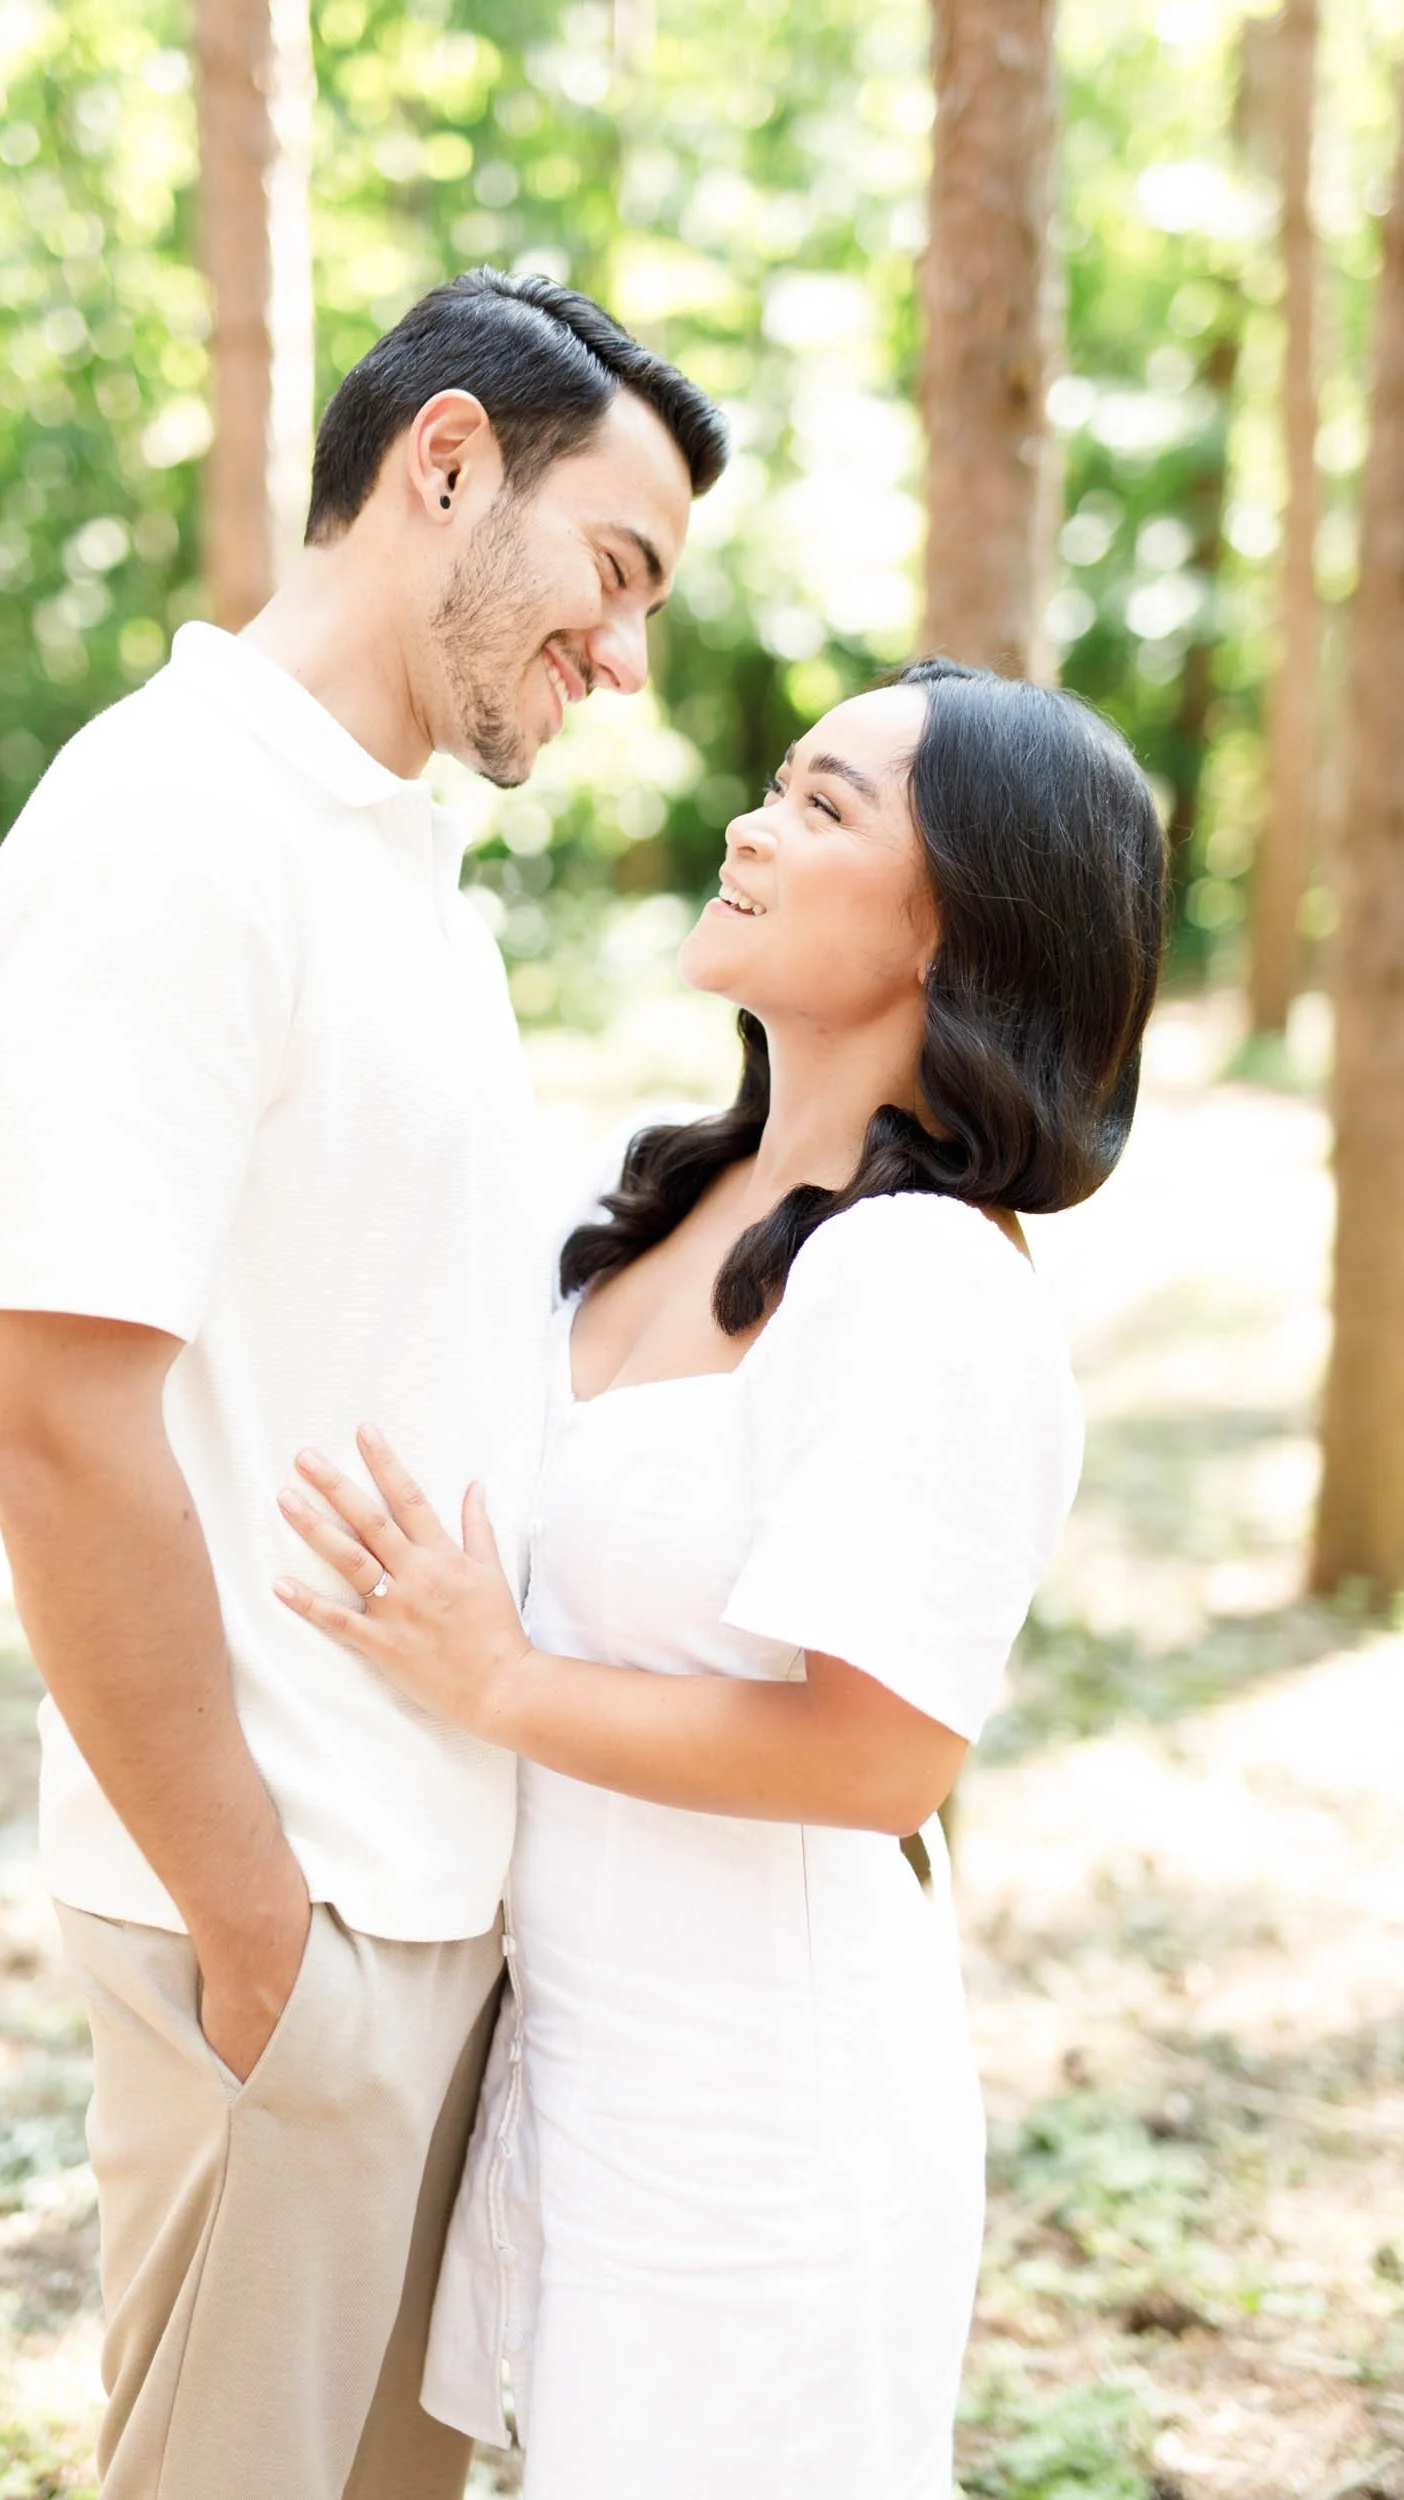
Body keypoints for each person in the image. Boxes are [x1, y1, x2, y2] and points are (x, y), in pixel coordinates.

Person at [0, 267, 726, 2500]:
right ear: (449, 462)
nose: (627, 653)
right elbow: (56, 1422)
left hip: (433, 1906)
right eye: (617, 571)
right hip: (287, 1924)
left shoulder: (394, 855)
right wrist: (260, 1933)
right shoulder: (169, 830)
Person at [274, 658, 1167, 2500]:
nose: (753, 825)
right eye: (777, 782)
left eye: (830, 807)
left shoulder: (923, 1283)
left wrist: (501, 1683)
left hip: (768, 2120)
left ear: (960, 930)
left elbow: (880, 1762)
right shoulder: (648, 1199)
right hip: (570, 2067)